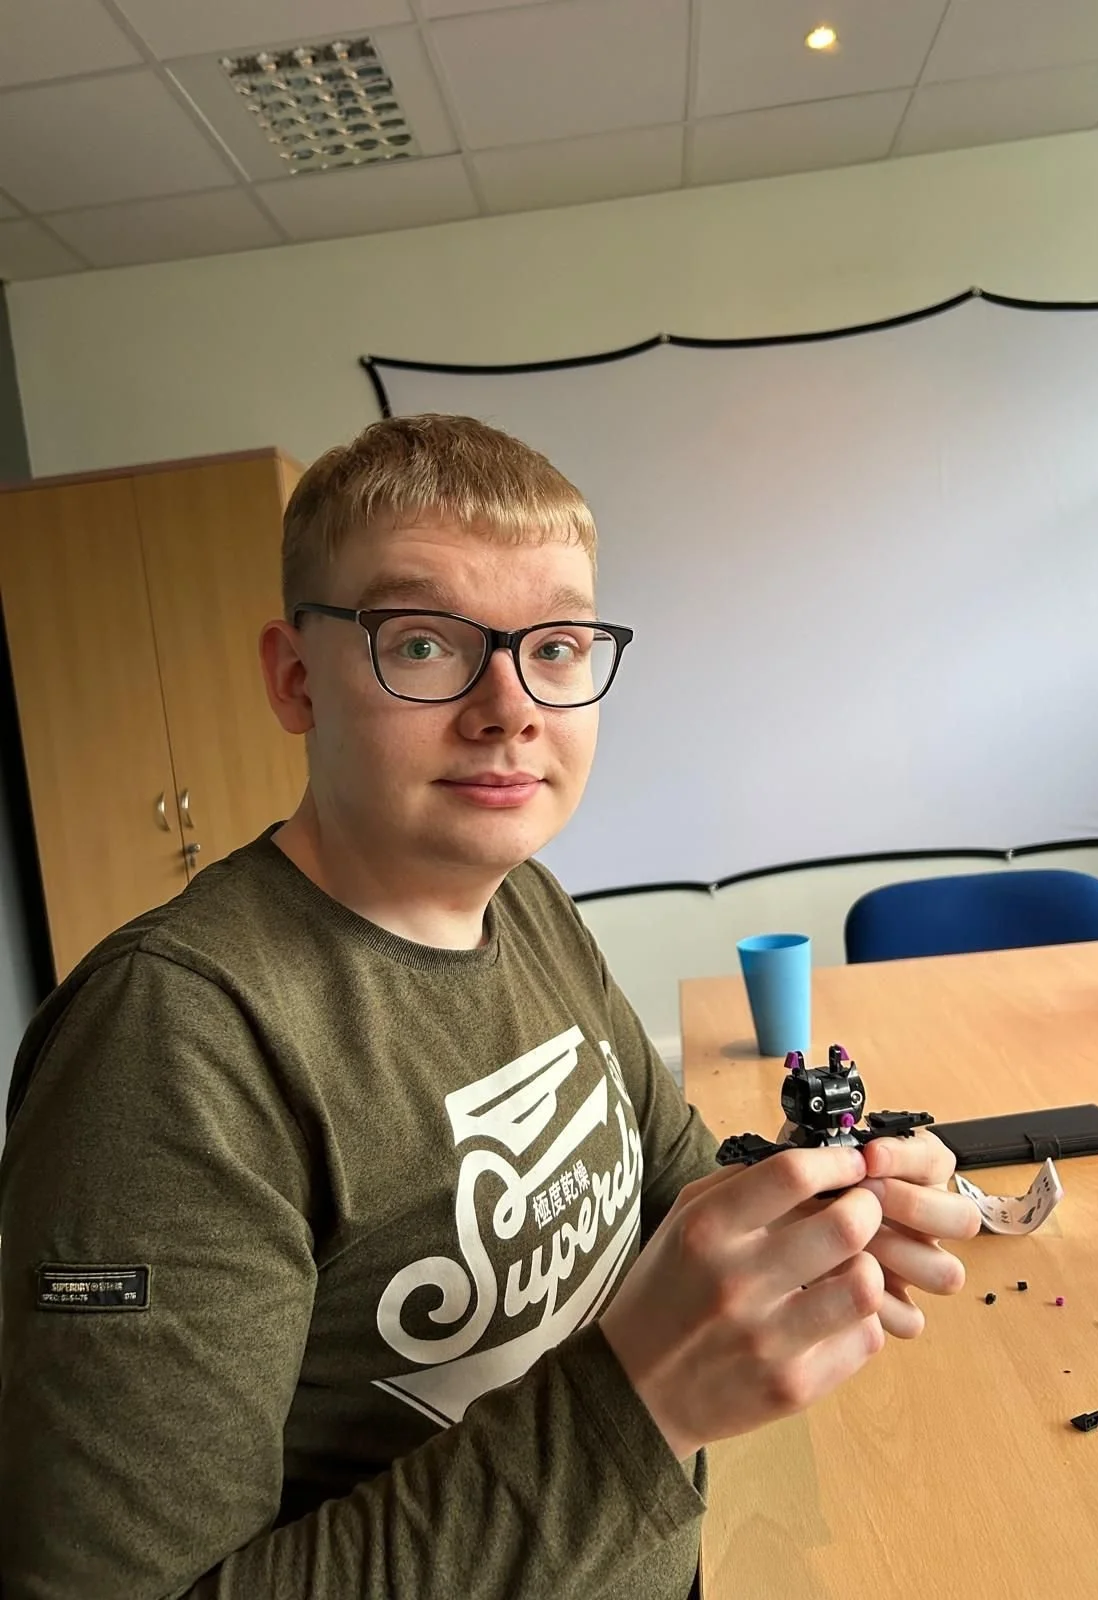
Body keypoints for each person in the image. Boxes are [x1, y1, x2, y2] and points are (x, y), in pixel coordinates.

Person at [0, 415, 979, 1599]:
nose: (511, 708)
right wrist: (638, 1403)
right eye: (423, 643)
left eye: (555, 647)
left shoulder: (528, 902)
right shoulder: (174, 1043)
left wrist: (830, 1198)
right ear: (295, 678)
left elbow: (671, 1189)